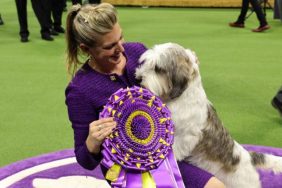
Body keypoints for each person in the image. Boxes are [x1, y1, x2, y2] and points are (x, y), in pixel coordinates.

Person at [65, 3, 225, 188]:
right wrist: (92, 142)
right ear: (86, 49)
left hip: (168, 150)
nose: (121, 48)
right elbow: (85, 160)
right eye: (110, 46)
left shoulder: (137, 51)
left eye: (121, 38)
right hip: (127, 169)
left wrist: (187, 66)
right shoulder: (79, 90)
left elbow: (171, 88)